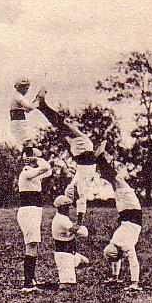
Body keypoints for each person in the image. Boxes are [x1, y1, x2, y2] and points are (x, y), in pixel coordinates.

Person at [35, 89, 105, 227]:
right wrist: (80, 222)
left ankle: (41, 106)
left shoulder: (73, 186)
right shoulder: (81, 188)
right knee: (62, 124)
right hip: (83, 149)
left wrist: (72, 219)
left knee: (62, 124)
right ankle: (41, 106)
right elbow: (81, 202)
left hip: (82, 149)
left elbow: (72, 201)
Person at [97, 152, 144, 292]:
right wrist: (132, 283)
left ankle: (100, 159)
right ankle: (100, 159)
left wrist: (129, 281)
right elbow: (126, 260)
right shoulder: (119, 243)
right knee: (116, 181)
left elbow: (121, 260)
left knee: (116, 180)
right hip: (129, 211)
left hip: (128, 211)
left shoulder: (119, 243)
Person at [16, 149, 52, 292]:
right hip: (29, 211)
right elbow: (46, 167)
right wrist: (37, 160)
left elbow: (49, 171)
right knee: (31, 245)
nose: (40, 159)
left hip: (34, 211)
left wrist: (37, 160)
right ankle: (27, 283)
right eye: (38, 156)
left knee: (34, 245)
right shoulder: (26, 173)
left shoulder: (33, 174)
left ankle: (31, 279)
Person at [50, 195, 90, 289]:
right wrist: (81, 218)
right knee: (67, 286)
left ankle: (72, 265)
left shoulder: (63, 218)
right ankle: (68, 270)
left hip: (69, 253)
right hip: (64, 254)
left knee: (85, 262)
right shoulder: (61, 220)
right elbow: (83, 233)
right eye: (68, 206)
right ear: (62, 207)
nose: (70, 208)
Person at [9, 78, 38, 149]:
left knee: (26, 142)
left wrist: (35, 102)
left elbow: (27, 110)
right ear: (20, 87)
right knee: (27, 141)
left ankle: (26, 157)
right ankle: (28, 158)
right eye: (26, 88)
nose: (26, 91)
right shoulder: (18, 97)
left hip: (17, 121)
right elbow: (30, 107)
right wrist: (38, 102)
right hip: (19, 122)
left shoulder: (16, 97)